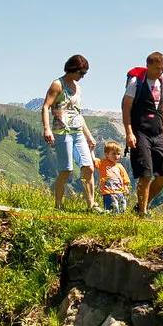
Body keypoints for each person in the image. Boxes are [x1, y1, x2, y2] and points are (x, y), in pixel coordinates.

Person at [42, 55, 94, 211]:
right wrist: (47, 129)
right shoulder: (58, 85)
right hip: (62, 131)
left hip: (77, 131)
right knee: (66, 170)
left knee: (88, 167)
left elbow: (78, 114)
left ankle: (91, 205)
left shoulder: (78, 89)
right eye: (81, 73)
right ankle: (58, 205)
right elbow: (46, 107)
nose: (82, 77)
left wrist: (88, 135)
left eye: (84, 73)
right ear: (72, 69)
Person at [122, 53, 163, 216]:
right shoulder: (137, 82)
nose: (161, 71)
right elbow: (126, 108)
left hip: (158, 134)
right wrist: (129, 132)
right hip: (140, 132)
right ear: (148, 65)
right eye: (157, 68)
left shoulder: (162, 83)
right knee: (145, 174)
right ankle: (142, 214)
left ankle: (140, 207)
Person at [93, 139, 132, 213]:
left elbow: (125, 178)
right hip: (108, 193)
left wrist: (126, 187)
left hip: (120, 192)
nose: (116, 156)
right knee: (113, 209)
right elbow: (93, 160)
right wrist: (91, 149)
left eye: (118, 154)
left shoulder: (119, 166)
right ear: (107, 154)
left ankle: (105, 213)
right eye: (113, 153)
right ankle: (103, 213)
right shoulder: (102, 163)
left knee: (122, 208)